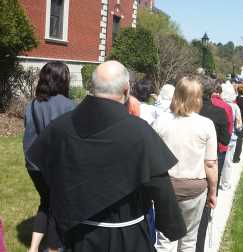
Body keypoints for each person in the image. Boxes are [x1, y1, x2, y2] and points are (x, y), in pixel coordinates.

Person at [28, 61, 187, 252]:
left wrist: (57, 201)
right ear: (127, 91)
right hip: (126, 241)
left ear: (92, 87)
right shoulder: (140, 132)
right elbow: (160, 187)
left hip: (78, 236)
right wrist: (172, 226)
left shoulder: (59, 127)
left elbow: (38, 168)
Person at [153, 76, 218, 252]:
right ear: (198, 98)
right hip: (194, 189)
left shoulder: (160, 122)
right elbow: (210, 164)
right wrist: (213, 192)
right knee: (189, 240)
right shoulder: (206, 125)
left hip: (166, 187)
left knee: (164, 241)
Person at [23, 61, 76, 252]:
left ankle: (33, 248)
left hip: (33, 166)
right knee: (58, 207)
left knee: (46, 202)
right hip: (55, 168)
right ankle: (53, 249)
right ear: (63, 80)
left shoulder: (32, 105)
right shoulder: (69, 106)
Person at [196, 77, 230, 252]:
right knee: (202, 216)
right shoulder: (219, 113)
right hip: (209, 163)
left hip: (191, 163)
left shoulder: (191, 110)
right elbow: (225, 139)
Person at [220, 82, 242, 190]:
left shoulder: (220, 105)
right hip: (231, 138)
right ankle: (225, 184)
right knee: (227, 163)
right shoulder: (235, 107)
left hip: (220, 137)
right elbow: (239, 126)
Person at [210, 80, 233, 183]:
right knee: (216, 175)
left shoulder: (201, 103)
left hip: (203, 144)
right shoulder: (227, 107)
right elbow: (229, 128)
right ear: (220, 92)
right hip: (219, 146)